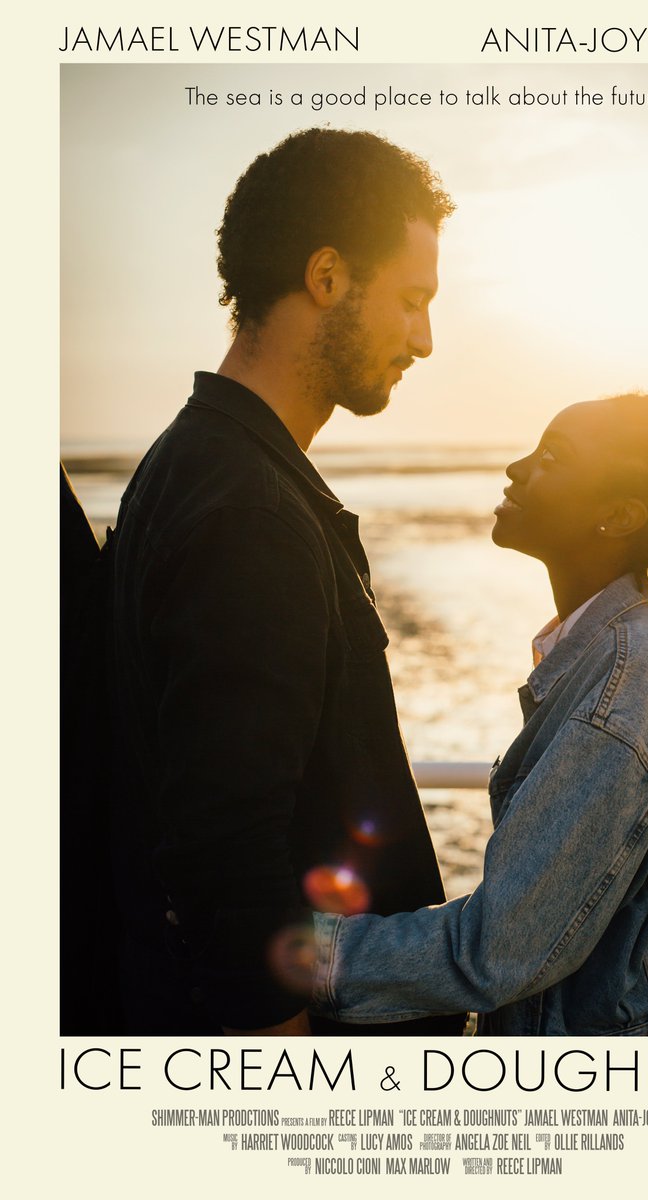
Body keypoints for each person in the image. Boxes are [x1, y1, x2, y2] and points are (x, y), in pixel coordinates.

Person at [105, 127, 463, 1036]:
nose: (424, 340)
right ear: (329, 276)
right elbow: (226, 840)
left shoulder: (189, 463)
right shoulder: (251, 512)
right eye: (412, 300)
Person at [306, 391, 648, 1035]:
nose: (517, 467)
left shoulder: (628, 685)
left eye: (552, 456)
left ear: (619, 515)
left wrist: (292, 957)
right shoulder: (607, 654)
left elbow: (498, 950)